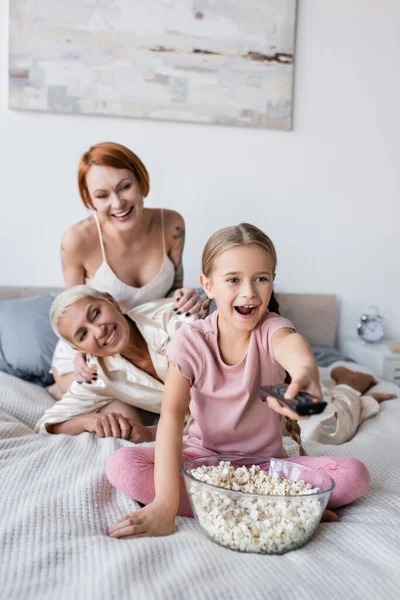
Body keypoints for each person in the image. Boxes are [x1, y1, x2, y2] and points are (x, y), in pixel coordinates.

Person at [105, 223, 371, 539]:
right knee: (122, 464)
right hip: (201, 462)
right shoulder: (191, 340)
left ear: (272, 282)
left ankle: (243, 502)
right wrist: (165, 503)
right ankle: (281, 506)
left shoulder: (273, 328)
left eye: (261, 279)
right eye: (233, 280)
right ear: (208, 285)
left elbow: (290, 345)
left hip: (266, 470)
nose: (249, 292)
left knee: (354, 475)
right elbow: (172, 417)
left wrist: (306, 373)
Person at [50, 142, 201, 396]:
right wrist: (81, 353)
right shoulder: (77, 240)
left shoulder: (172, 224)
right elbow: (73, 311)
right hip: (91, 353)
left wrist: (188, 300)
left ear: (141, 181)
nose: (118, 203)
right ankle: (58, 388)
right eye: (102, 196)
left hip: (147, 348)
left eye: (125, 187)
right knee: (115, 415)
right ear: (89, 199)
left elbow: (172, 299)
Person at [36, 287, 195, 442]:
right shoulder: (97, 376)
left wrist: (151, 434)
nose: (99, 332)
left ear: (111, 301)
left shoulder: (173, 318)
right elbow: (46, 424)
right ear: (79, 349)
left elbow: (215, 400)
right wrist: (87, 422)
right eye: (83, 335)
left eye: (96, 314)